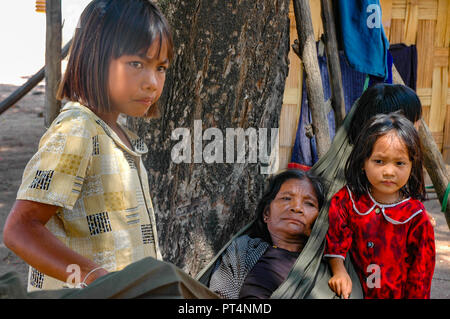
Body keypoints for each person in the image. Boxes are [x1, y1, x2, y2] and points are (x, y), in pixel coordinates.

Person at [2, 0, 173, 292]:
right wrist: (95, 279)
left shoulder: (118, 132)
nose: (152, 82)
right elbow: (20, 229)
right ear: (96, 56)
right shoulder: (77, 131)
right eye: (136, 64)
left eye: (160, 67)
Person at [325, 113, 436, 299]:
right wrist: (339, 271)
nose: (389, 172)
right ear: (363, 162)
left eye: (400, 163)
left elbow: (421, 275)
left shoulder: (416, 218)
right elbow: (336, 239)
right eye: (379, 161)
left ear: (412, 165)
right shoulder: (349, 200)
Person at [208, 169, 348, 299]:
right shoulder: (245, 248)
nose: (297, 208)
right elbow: (221, 294)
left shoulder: (330, 263)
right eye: (286, 198)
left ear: (320, 220)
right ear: (266, 213)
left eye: (309, 203)